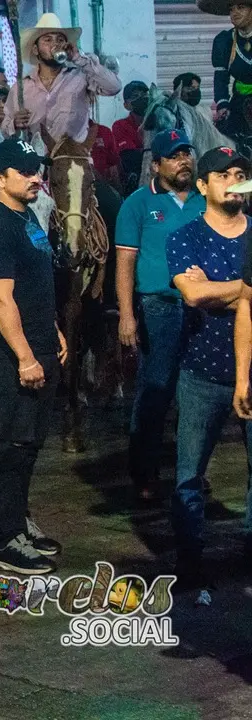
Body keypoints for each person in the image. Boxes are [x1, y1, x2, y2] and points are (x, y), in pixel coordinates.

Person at [0, 138, 67, 575]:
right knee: (12, 443)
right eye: (25, 171)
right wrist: (26, 357)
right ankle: (5, 538)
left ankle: (19, 520)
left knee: (30, 443)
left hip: (40, 343)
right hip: (12, 354)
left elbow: (35, 283)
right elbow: (0, 299)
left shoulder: (25, 215)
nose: (35, 177)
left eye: (37, 169)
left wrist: (53, 329)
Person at [167, 147, 252, 600]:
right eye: (223, 175)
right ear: (202, 185)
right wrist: (247, 290)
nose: (234, 181)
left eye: (240, 174)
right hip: (202, 372)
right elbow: (193, 296)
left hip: (251, 373)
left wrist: (218, 291)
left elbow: (206, 293)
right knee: (189, 477)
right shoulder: (185, 237)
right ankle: (191, 565)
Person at [115, 130, 205, 503]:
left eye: (187, 154)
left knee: (196, 393)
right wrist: (126, 314)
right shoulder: (137, 204)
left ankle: (191, 473)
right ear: (156, 165)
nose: (183, 161)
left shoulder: (204, 199)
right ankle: (144, 472)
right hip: (159, 306)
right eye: (174, 156)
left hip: (203, 306)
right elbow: (125, 262)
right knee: (156, 389)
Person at [5, 13, 121, 151]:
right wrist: (14, 124)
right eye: (48, 40)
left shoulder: (81, 77)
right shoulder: (21, 87)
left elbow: (114, 87)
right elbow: (4, 129)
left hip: (74, 159)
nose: (55, 44)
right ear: (36, 49)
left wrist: (79, 58)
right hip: (35, 160)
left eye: (60, 40)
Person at [208, 1, 252, 146]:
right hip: (241, 103)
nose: (234, 13)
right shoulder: (225, 40)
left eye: (241, 7)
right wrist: (222, 104)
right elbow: (221, 78)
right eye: (231, 9)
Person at [113, 80, 150, 189]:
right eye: (135, 96)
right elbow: (130, 158)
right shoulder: (120, 125)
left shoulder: (159, 122)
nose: (142, 98)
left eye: (145, 94)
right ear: (126, 105)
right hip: (136, 181)